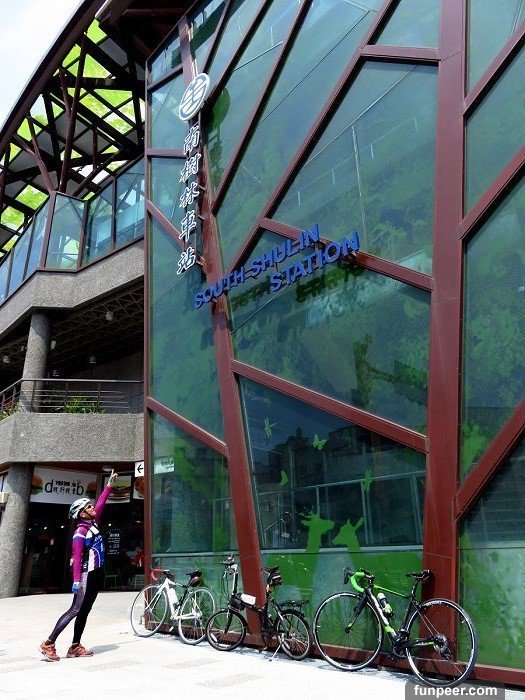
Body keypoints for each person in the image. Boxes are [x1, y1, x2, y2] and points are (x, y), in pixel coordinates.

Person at [39, 470, 118, 661]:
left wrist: (109, 486)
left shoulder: (93, 524)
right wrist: (76, 581)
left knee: (85, 610)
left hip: (97, 573)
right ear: (82, 513)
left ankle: (75, 646)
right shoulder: (80, 533)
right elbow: (76, 556)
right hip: (85, 575)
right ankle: (48, 643)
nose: (93, 507)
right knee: (75, 609)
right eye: (89, 507)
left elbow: (100, 504)